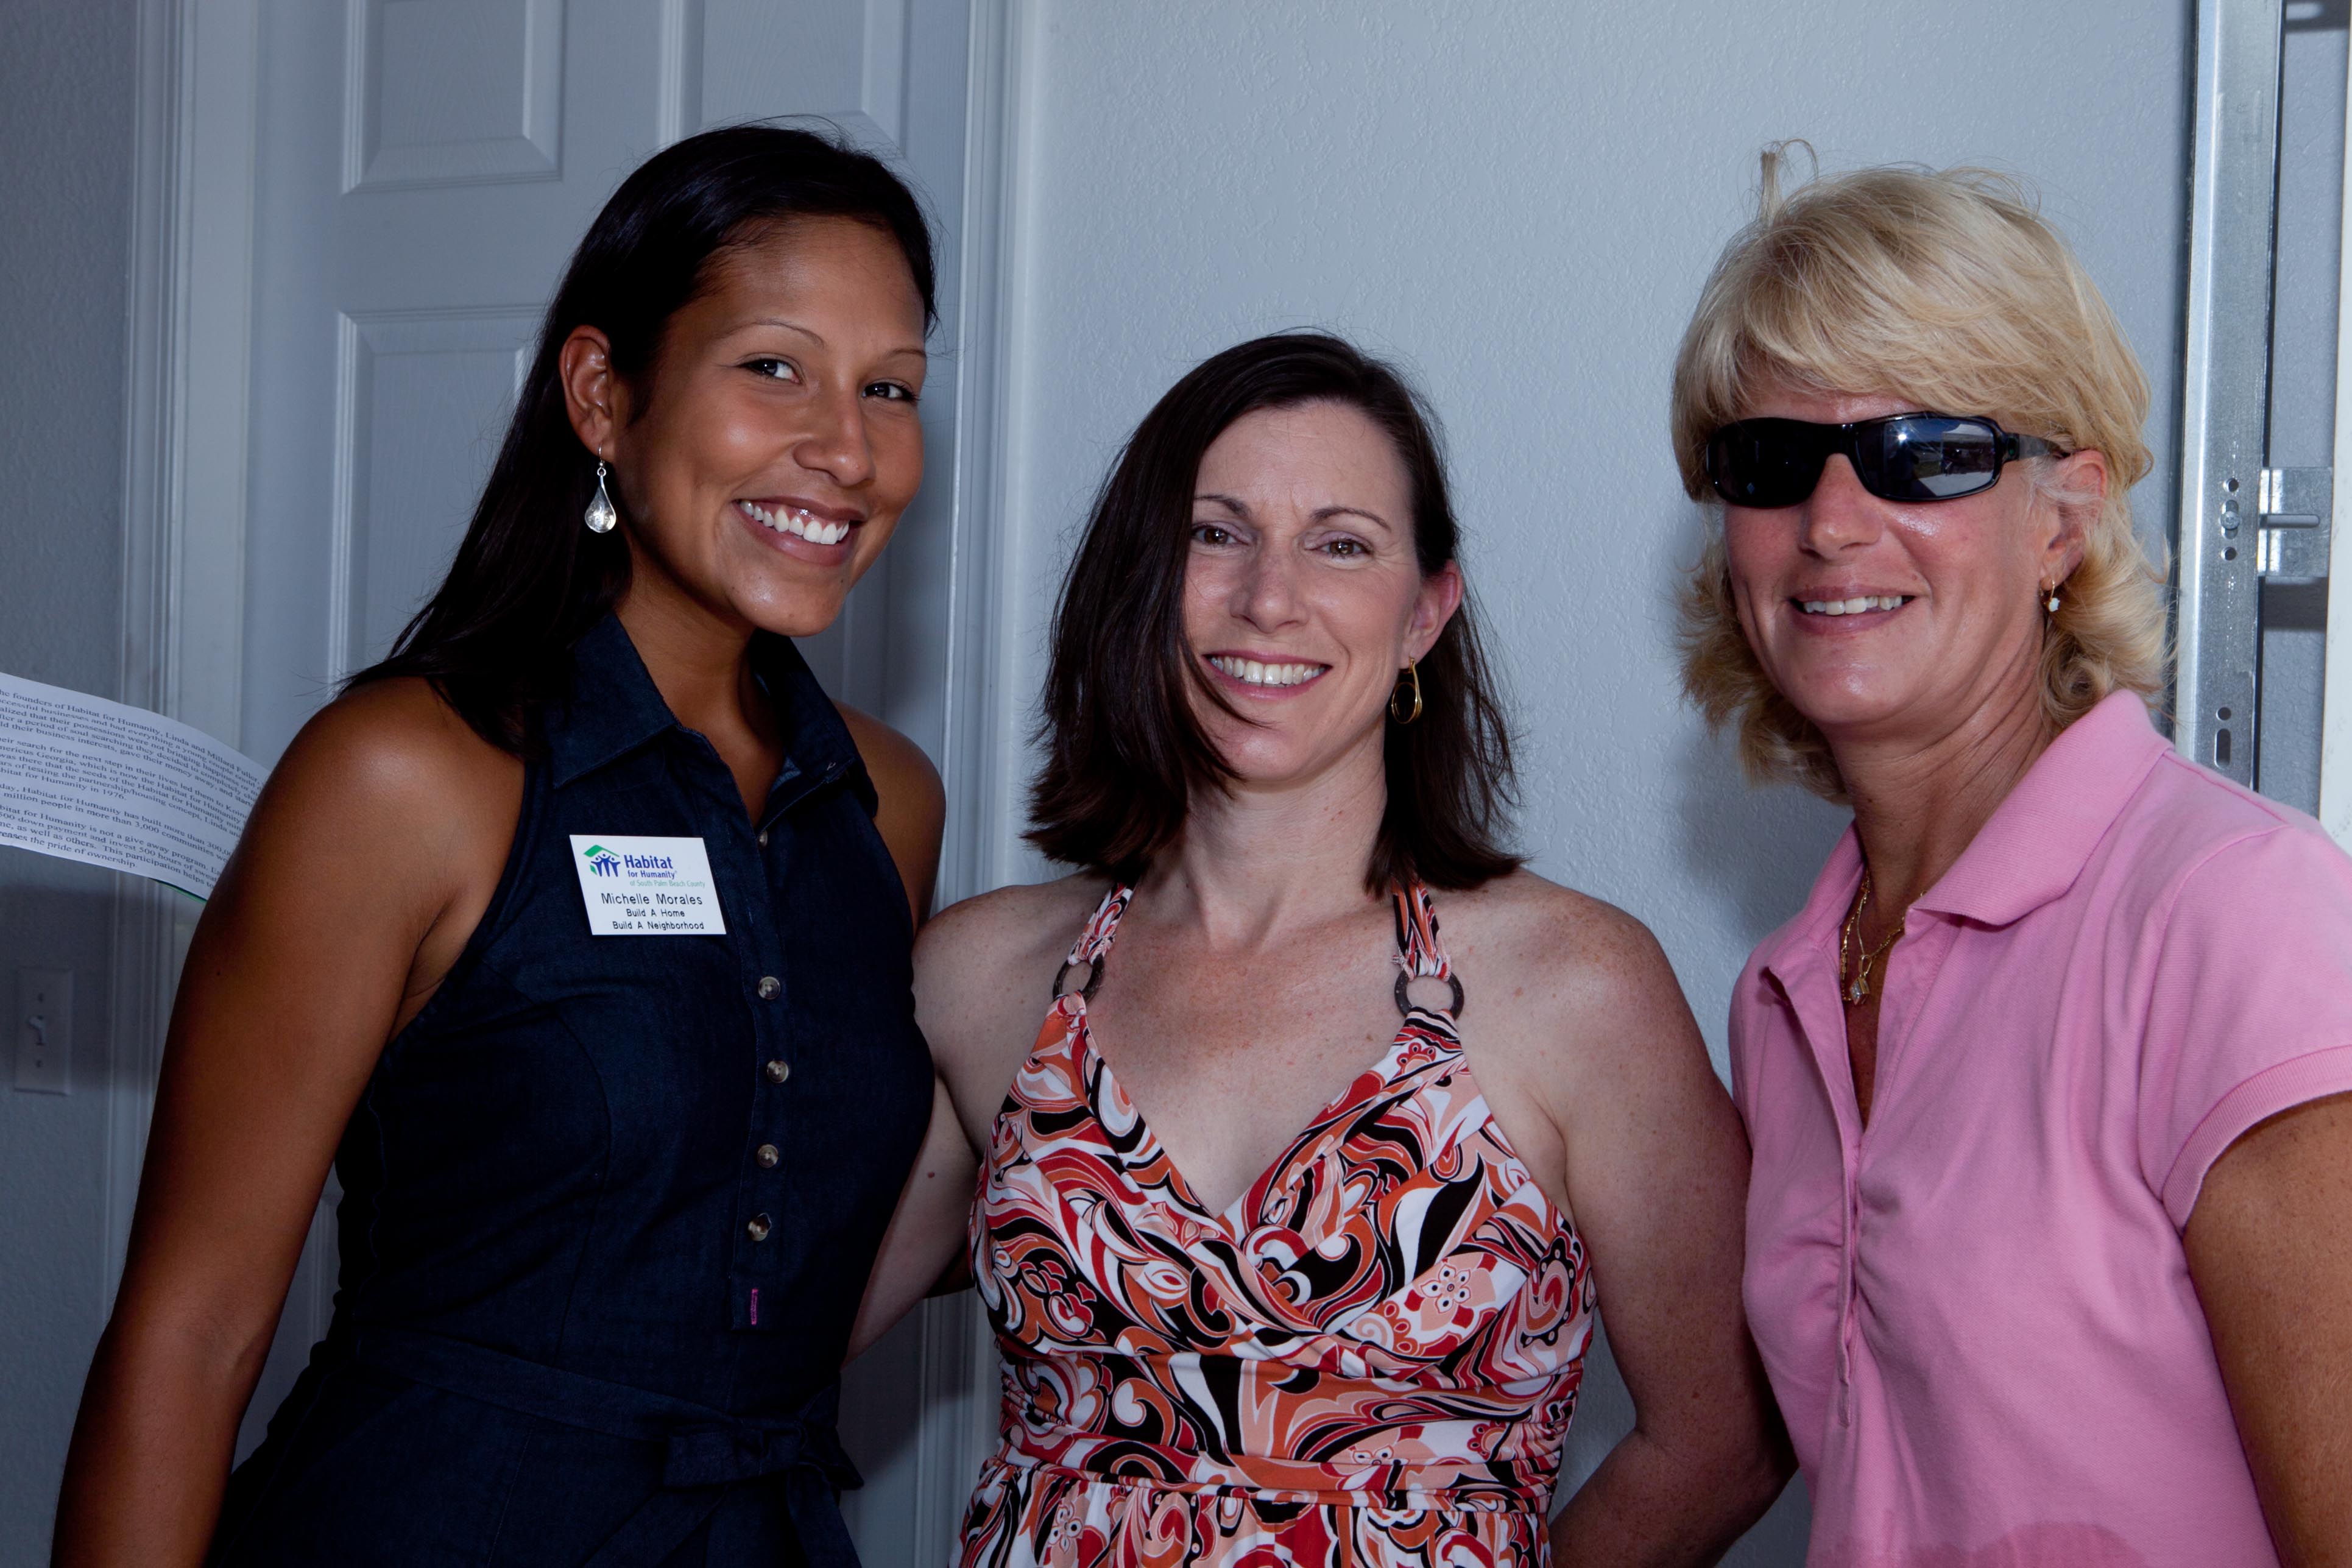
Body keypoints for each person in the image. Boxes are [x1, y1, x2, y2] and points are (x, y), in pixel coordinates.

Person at [53, 126, 946, 1568]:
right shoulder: (408, 775)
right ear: (604, 395)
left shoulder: (885, 803)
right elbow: (194, 1330)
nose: (844, 448)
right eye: (772, 367)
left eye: (889, 388)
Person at [853, 333, 1789, 1566]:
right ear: (1135, 579)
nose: (1269, 599)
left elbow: (1721, 1442)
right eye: (1213, 533)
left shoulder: (1573, 985)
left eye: (1339, 543)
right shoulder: (981, 979)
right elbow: (738, 1337)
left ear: (1423, 614)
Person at [1673, 152, 2352, 1567]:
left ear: (2063, 515)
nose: (1832, 520)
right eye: (1769, 463)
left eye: (1926, 451)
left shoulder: (2234, 918)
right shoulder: (1781, 992)